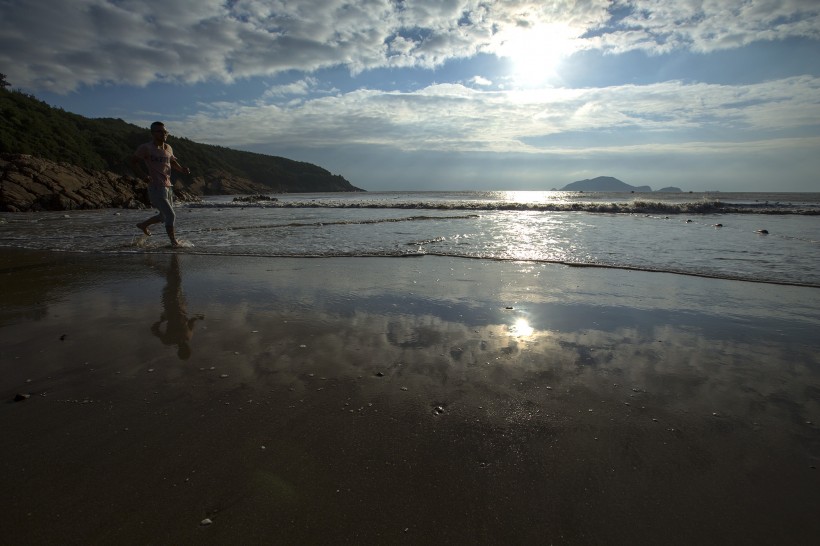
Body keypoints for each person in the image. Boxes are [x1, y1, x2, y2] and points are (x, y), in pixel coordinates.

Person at [131, 121, 191, 247]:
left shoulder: (168, 148)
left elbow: (172, 162)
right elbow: (134, 161)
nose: (163, 133)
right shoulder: (146, 148)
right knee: (171, 215)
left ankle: (143, 225)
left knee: (163, 217)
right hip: (155, 186)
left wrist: (182, 169)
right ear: (153, 133)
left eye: (165, 131)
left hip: (168, 186)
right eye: (160, 131)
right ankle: (174, 242)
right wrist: (143, 176)